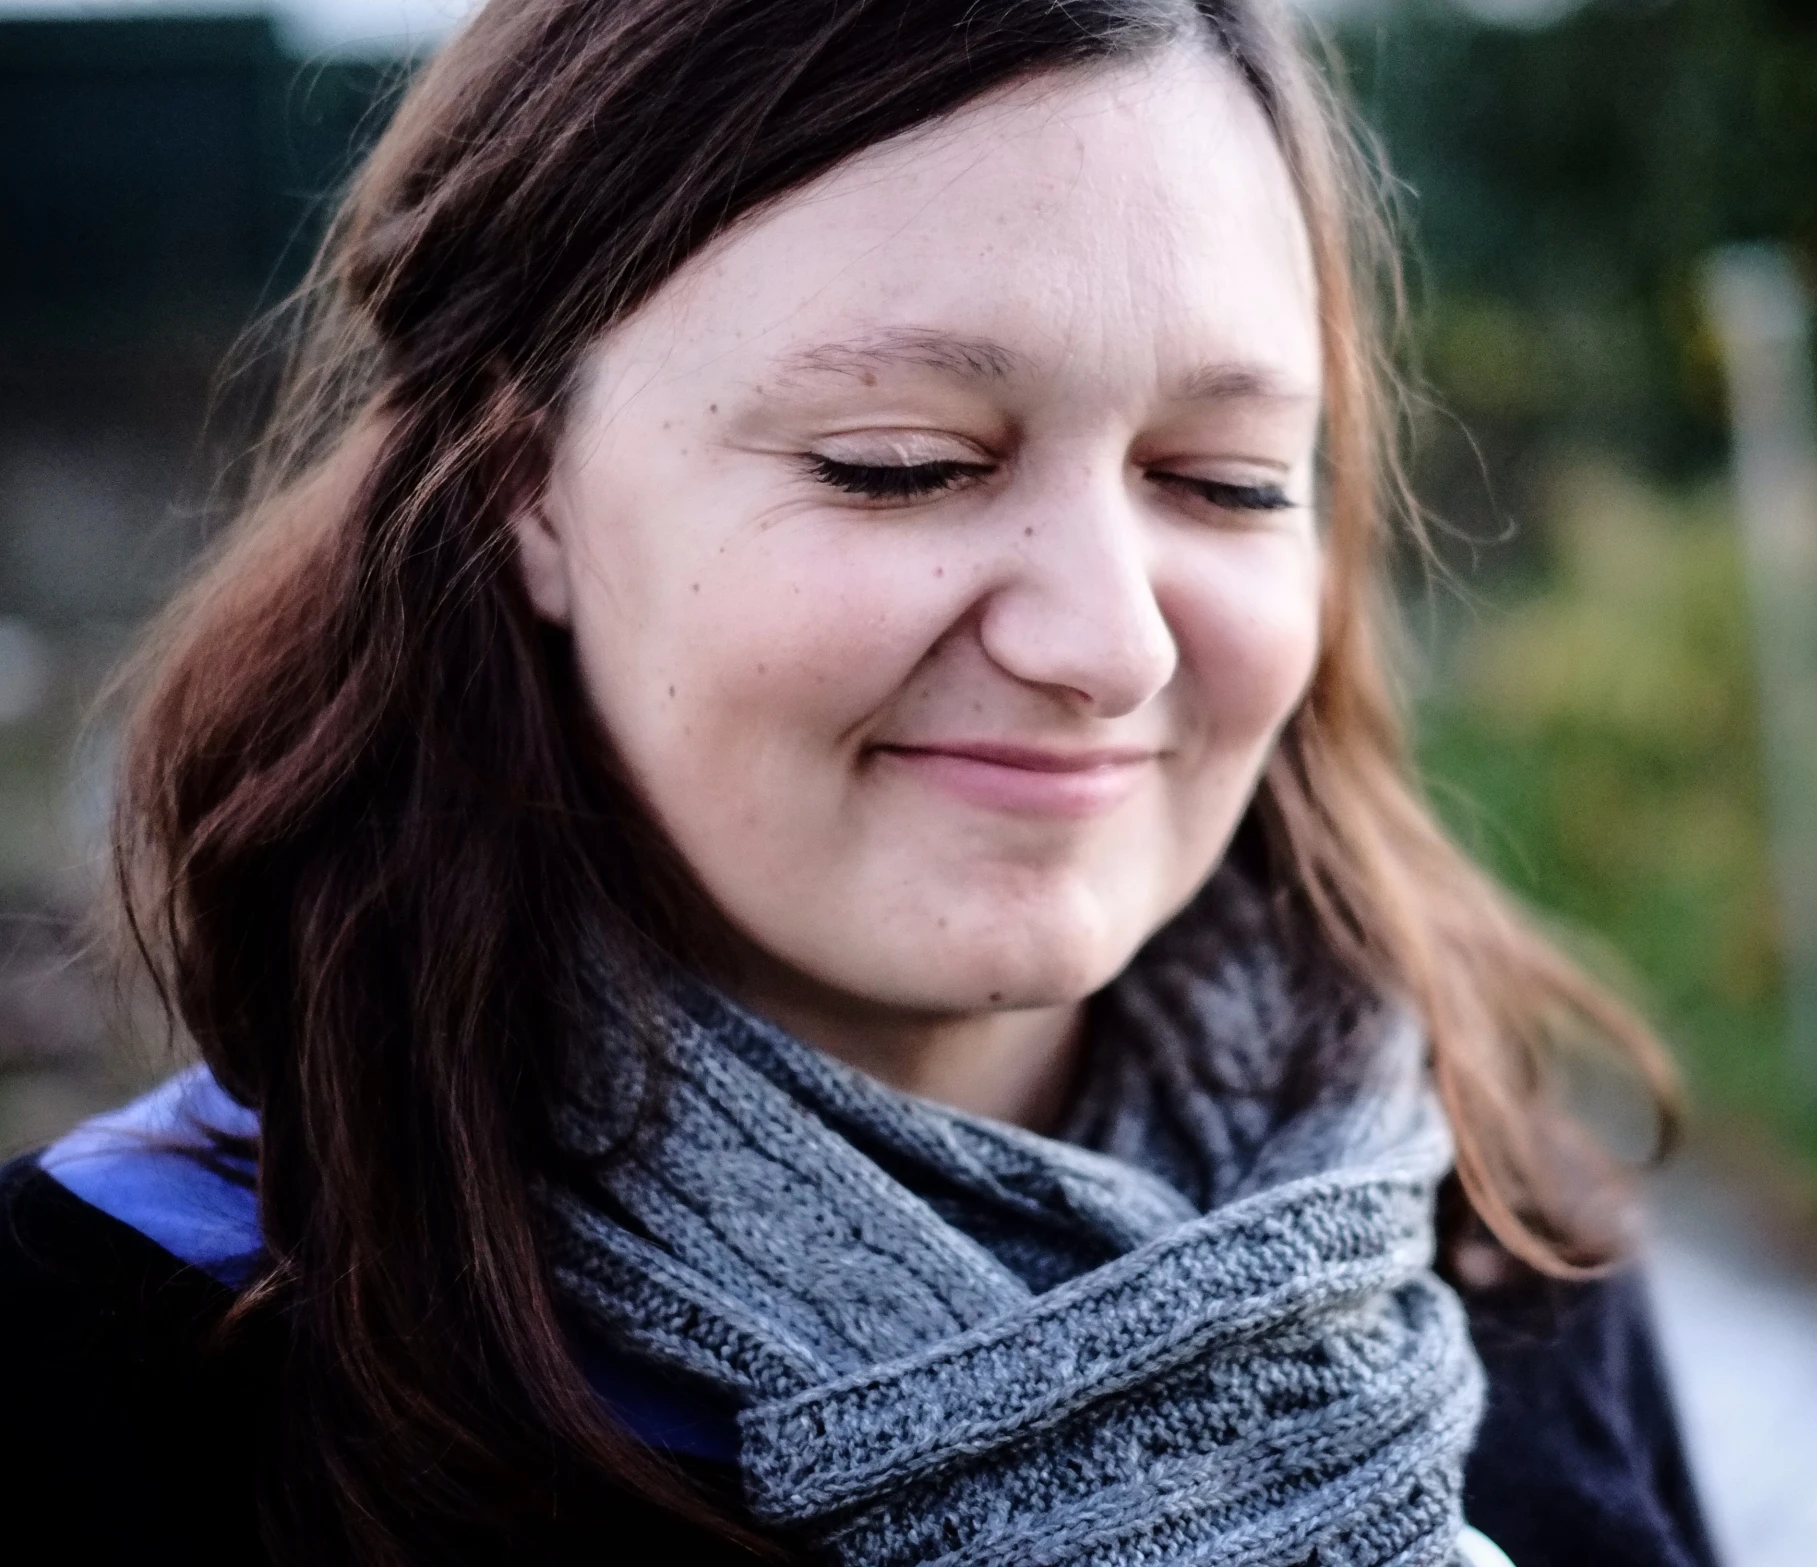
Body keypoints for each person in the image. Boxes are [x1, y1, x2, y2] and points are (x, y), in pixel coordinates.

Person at [0, 0, 1720, 1561]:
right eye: (901, 468)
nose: (1108, 644)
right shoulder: (130, 1359)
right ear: (525, 490)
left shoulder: (1496, 1253)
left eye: (1223, 480)